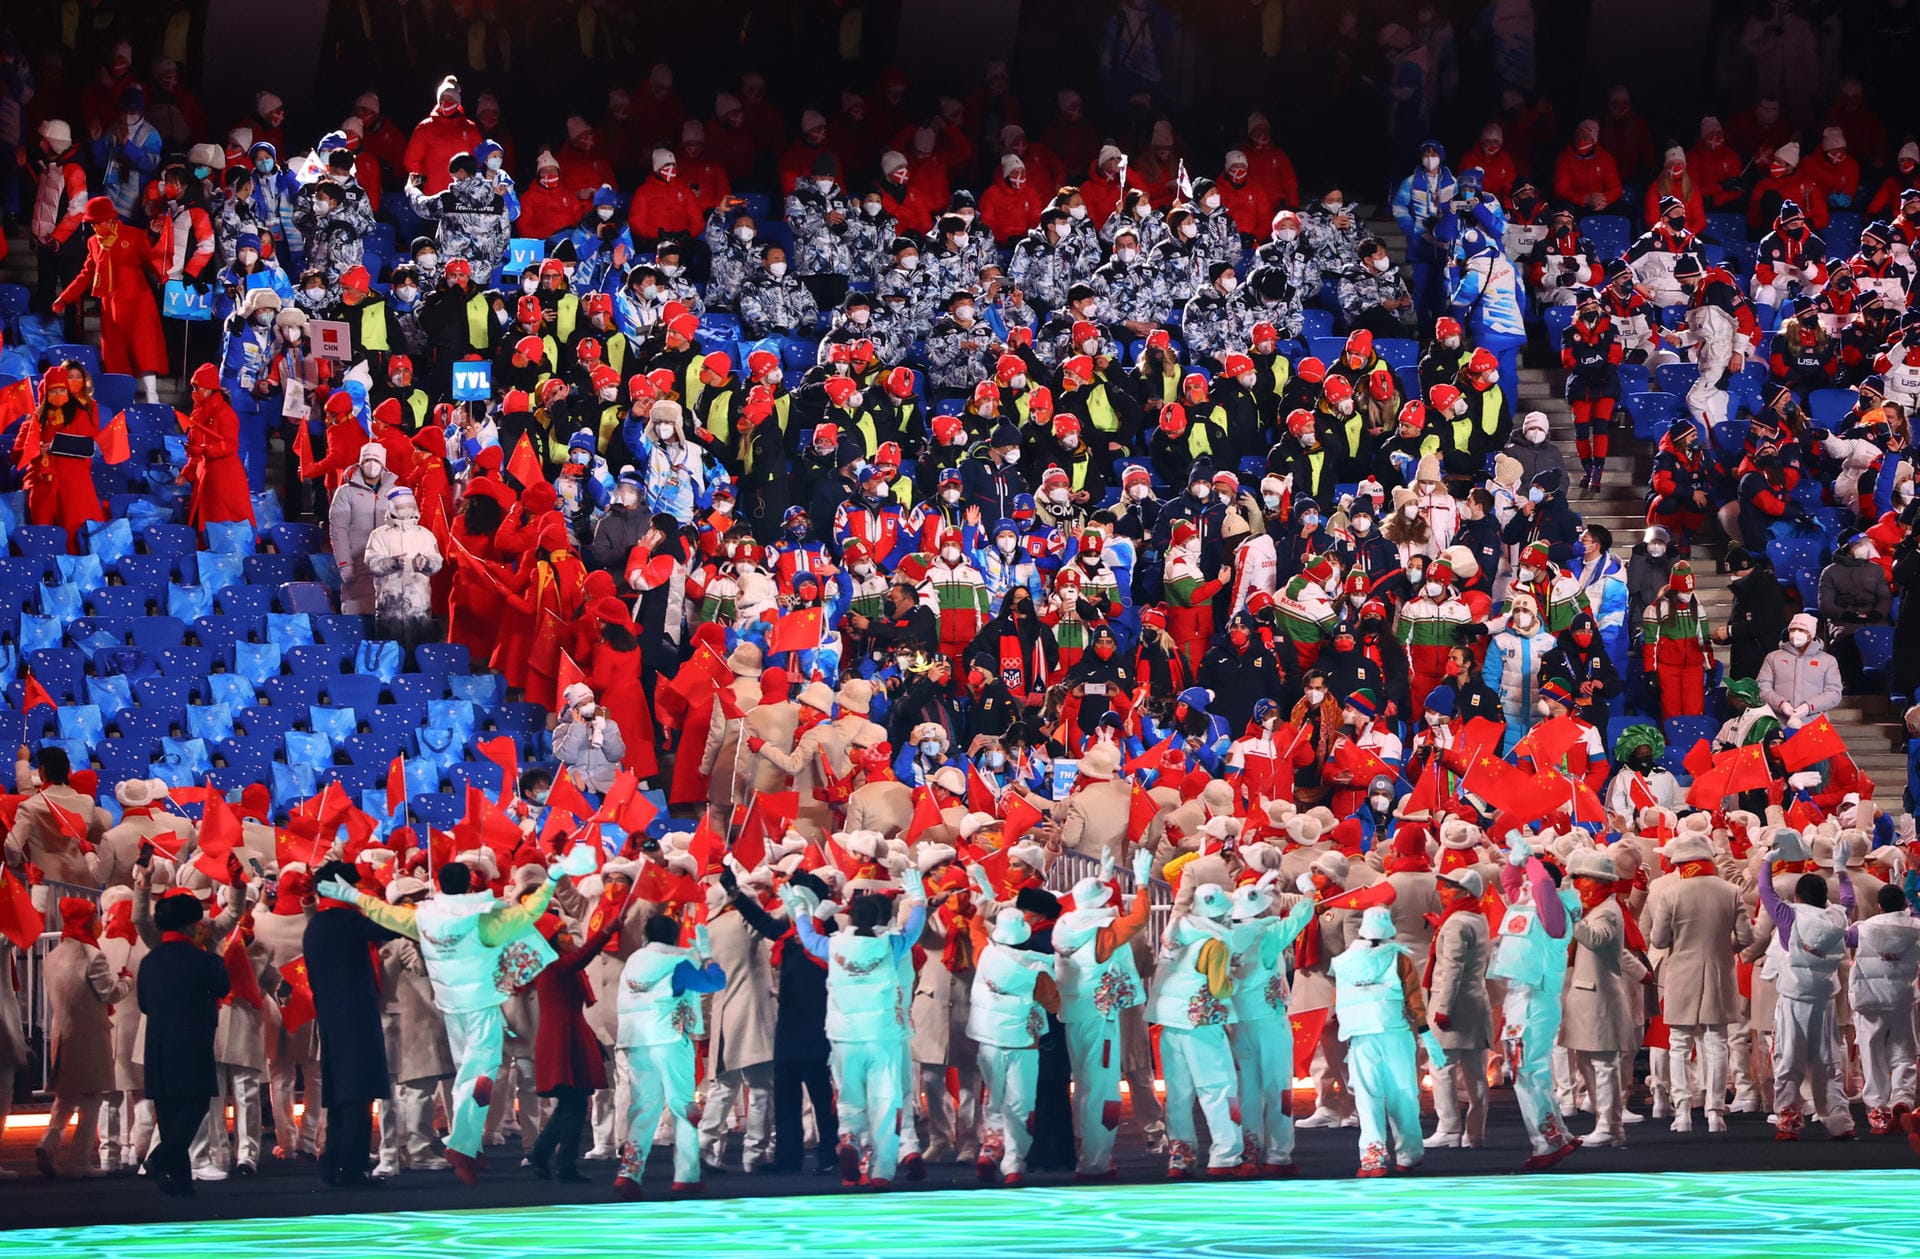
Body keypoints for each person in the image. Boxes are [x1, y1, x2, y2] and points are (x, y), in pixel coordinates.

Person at [314, 853, 575, 1184]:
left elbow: (382, 912)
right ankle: (462, 1146)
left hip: (450, 1007)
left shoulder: (422, 919)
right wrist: (552, 880)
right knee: (478, 1078)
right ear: (467, 885)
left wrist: (354, 895)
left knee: (467, 1076)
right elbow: (530, 913)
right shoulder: (483, 921)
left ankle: (466, 1146)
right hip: (480, 1006)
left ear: (437, 885)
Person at [789, 867, 927, 1189]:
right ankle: (881, 1171)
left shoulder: (834, 946)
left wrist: (799, 910)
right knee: (885, 1101)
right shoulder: (890, 947)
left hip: (845, 1038)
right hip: (883, 1037)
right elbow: (914, 930)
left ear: (850, 919)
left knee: (850, 1099)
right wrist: (918, 899)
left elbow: (808, 940)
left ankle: (850, 1139)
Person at [1645, 825, 1752, 1134]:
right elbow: (1745, 937)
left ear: (1680, 863)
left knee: (1678, 1043)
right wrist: (1722, 948)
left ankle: (1682, 1112)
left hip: (1681, 974)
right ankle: (1715, 1112)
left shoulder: (1670, 893)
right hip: (1719, 972)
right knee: (1716, 1043)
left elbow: (1660, 939)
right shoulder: (1730, 891)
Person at [612, 911, 726, 1197]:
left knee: (643, 1108)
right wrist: (707, 955)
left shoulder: (633, 962)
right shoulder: (676, 963)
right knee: (683, 1106)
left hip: (636, 1041)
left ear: (646, 936)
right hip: (669, 1038)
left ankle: (629, 1171)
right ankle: (686, 1175)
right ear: (675, 937)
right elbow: (714, 982)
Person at [302, 861, 400, 1189]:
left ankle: (334, 1162)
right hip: (355, 1016)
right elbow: (390, 926)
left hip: (331, 1017)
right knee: (358, 1093)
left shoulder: (316, 925)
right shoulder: (348, 921)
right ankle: (352, 1167)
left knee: (341, 1095)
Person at [1489, 834, 1580, 1171]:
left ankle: (1547, 1142)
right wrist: (1515, 860)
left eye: (1530, 880)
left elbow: (1540, 882)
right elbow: (1510, 880)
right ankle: (1559, 1133)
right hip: (1520, 998)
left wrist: (1530, 859)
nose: (1524, 885)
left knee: (1526, 1071)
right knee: (1530, 1071)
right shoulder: (1524, 907)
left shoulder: (1554, 914)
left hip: (1537, 998)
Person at [1756, 845, 1857, 1139]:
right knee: (1828, 1063)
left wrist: (1768, 859)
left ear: (1798, 896)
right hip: (1824, 1001)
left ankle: (1788, 1123)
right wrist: (1841, 867)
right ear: (1825, 897)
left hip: (1793, 1000)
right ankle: (1840, 1122)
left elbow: (1765, 891)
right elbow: (1848, 899)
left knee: (1789, 1060)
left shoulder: (1790, 916)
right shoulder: (1837, 918)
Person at [1146, 880, 1245, 1178]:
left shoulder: (1177, 932)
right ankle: (1226, 1156)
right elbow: (1218, 987)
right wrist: (1236, 982)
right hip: (1200, 1022)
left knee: (1178, 1093)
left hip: (1170, 1021)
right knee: (1218, 1088)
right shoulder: (1214, 943)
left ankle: (1180, 1157)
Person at [137, 890, 230, 1198]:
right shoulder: (201, 959)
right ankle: (162, 1157)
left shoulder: (150, 961)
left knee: (169, 1114)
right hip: (192, 1042)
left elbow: (145, 1004)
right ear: (191, 926)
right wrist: (214, 949)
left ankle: (180, 1182)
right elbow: (222, 986)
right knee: (196, 1105)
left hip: (159, 1044)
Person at [37, 897, 130, 1178]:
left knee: (65, 1098)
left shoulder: (54, 955)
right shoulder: (92, 954)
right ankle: (78, 1161)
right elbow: (109, 993)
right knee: (90, 1099)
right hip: (89, 1035)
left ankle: (48, 1142)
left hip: (62, 1033)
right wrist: (125, 981)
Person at [1333, 904, 1427, 1177]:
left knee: (1367, 1097)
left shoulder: (1343, 961)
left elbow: (1339, 1002)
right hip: (1395, 1034)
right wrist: (1425, 1035)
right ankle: (1409, 1155)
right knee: (1404, 1095)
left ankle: (1372, 1160)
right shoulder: (1399, 958)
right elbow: (1414, 1001)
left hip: (1361, 1037)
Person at [51, 197, 168, 402]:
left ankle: (152, 395)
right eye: (92, 223)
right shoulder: (93, 243)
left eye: (98, 222)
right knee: (115, 353)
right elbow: (86, 275)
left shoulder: (133, 235)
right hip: (110, 305)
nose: (95, 227)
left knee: (144, 348)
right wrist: (64, 297)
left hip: (138, 301)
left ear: (111, 219)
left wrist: (162, 274)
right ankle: (125, 399)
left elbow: (153, 259)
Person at [1425, 867, 1493, 1150]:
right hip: (1476, 1002)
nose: (1442, 891)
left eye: (1448, 887)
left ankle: (1449, 1127)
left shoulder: (1455, 924)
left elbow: (1451, 969)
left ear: (1464, 892)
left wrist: (1443, 1008)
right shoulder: (1478, 918)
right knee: (1475, 1071)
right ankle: (1474, 1133)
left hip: (1453, 1004)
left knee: (1442, 1068)